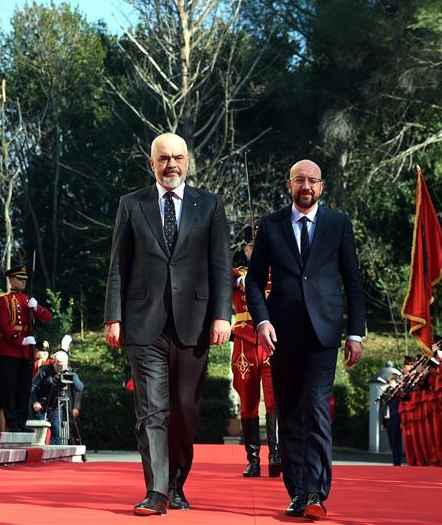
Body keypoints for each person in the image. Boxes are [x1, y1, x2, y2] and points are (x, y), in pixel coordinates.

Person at [103, 132, 232, 516]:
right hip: (144, 326)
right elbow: (117, 267)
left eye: (177, 157)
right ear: (152, 164)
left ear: (188, 161)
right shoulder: (131, 205)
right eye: (163, 159)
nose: (170, 164)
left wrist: (222, 315)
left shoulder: (210, 205)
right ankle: (156, 491)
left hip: (193, 325)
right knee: (152, 411)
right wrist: (114, 316)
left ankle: (177, 482)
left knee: (185, 411)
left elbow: (221, 266)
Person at [245, 159, 366, 521]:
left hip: (324, 333)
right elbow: (253, 281)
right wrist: (262, 321)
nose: (306, 186)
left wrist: (355, 332)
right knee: (290, 414)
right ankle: (297, 492)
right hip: (280, 335)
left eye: (313, 181)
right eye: (300, 180)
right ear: (290, 185)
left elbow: (353, 280)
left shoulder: (338, 224)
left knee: (315, 407)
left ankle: (316, 491)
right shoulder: (271, 225)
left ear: (322, 187)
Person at [231, 242, 281, 478]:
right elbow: (217, 277)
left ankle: (276, 455)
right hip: (244, 341)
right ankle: (253, 459)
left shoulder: (278, 271)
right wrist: (239, 281)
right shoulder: (238, 273)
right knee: (248, 400)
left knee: (274, 399)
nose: (254, 250)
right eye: (251, 247)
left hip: (271, 340)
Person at [0, 265, 52, 432]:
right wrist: (20, 340)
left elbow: (46, 316)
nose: (23, 282)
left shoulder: (28, 299)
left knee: (24, 388)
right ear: (11, 279)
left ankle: (21, 422)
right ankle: (12, 423)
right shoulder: (2, 300)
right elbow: (3, 326)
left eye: (25, 279)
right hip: (9, 351)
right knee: (10, 388)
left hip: (26, 353)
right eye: (20, 279)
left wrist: (37, 307)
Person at [31, 349, 83, 445]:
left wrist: (72, 375)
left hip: (57, 405)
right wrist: (35, 401)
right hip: (42, 405)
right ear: (54, 361)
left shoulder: (69, 370)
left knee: (57, 432)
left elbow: (79, 388)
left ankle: (54, 454)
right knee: (40, 434)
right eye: (58, 364)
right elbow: (33, 387)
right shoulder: (45, 370)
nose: (61, 367)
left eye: (63, 364)